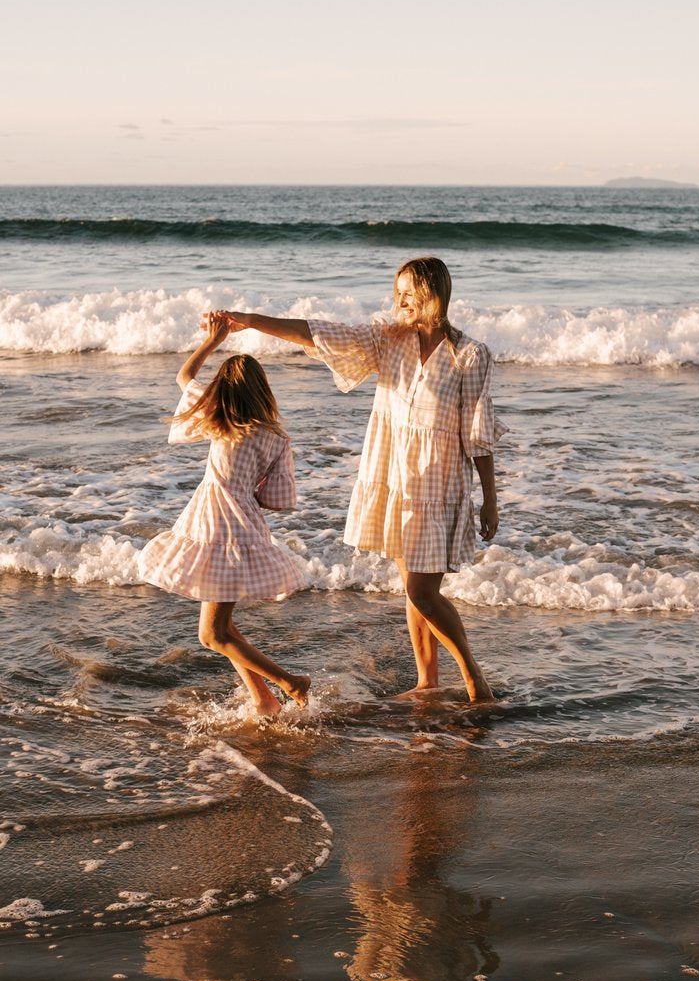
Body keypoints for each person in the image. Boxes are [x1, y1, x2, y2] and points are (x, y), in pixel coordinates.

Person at [211, 256, 504, 704]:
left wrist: (490, 500)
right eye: (397, 291)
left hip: (438, 484)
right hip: (393, 475)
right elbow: (318, 332)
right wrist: (248, 321)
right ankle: (428, 682)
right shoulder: (388, 340)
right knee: (413, 589)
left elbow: (478, 433)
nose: (399, 300)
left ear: (433, 294)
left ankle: (474, 681)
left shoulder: (469, 354)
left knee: (421, 591)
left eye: (409, 292)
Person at [138, 312, 310, 717]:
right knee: (222, 629)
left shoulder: (220, 421)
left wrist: (213, 341)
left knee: (212, 634)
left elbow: (184, 376)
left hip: (213, 526)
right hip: (244, 527)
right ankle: (264, 699)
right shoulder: (275, 438)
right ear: (262, 391)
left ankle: (290, 682)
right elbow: (278, 500)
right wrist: (246, 489)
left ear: (223, 391)